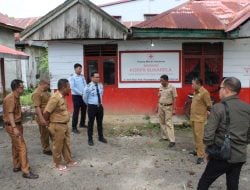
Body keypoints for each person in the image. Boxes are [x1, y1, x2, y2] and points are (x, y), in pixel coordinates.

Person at [197, 77, 250, 190]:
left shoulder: (218, 107)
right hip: (240, 156)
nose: (219, 91)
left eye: (220, 88)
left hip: (221, 155)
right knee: (233, 184)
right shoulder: (247, 108)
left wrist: (207, 152)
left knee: (205, 181)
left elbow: (208, 134)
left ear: (226, 90)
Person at [3, 79, 39, 179]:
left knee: (15, 146)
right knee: (22, 147)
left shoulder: (16, 97)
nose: (23, 88)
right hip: (12, 125)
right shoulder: (10, 98)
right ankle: (26, 171)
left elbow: (13, 112)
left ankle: (17, 165)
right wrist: (14, 128)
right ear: (16, 88)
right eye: (21, 87)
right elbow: (10, 114)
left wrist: (25, 112)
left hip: (16, 124)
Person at [43, 79, 78, 171]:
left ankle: (69, 161)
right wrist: (46, 123)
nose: (70, 88)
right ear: (63, 87)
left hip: (64, 124)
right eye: (68, 87)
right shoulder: (55, 98)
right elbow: (46, 112)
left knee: (66, 144)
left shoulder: (62, 97)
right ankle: (57, 163)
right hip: (57, 125)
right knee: (58, 145)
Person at [190, 78, 212, 164]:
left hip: (200, 119)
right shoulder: (195, 92)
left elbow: (209, 105)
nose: (191, 86)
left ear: (198, 84)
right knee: (195, 136)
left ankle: (201, 156)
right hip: (193, 117)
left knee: (199, 137)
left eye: (193, 84)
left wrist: (207, 114)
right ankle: (197, 150)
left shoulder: (204, 93)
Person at [84, 72, 107, 146]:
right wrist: (89, 104)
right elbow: (84, 97)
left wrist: (98, 103)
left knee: (100, 123)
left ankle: (101, 137)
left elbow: (101, 94)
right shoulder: (88, 86)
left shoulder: (100, 85)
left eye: (98, 77)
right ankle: (90, 139)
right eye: (96, 77)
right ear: (92, 78)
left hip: (99, 106)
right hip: (91, 106)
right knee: (91, 123)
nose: (98, 78)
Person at [31, 79, 52, 155]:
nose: (49, 86)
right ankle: (46, 148)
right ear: (43, 84)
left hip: (48, 115)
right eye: (48, 84)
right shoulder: (36, 93)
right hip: (42, 116)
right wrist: (42, 119)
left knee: (50, 131)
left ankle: (52, 146)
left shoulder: (45, 92)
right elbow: (37, 107)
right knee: (44, 133)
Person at [158, 75, 177, 148]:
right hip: (161, 106)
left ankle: (172, 140)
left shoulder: (172, 87)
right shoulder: (160, 87)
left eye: (162, 81)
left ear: (166, 80)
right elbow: (159, 96)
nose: (161, 82)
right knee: (162, 122)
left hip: (168, 107)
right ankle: (164, 137)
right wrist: (157, 106)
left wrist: (174, 109)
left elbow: (175, 98)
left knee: (168, 123)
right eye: (160, 81)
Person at [69, 63, 87, 134]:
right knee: (76, 111)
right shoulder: (72, 77)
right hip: (76, 96)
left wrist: (86, 92)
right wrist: (81, 93)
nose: (80, 70)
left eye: (81, 68)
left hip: (83, 96)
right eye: (79, 69)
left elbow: (85, 84)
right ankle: (74, 127)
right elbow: (72, 87)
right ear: (75, 69)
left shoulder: (82, 76)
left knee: (84, 110)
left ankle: (82, 123)